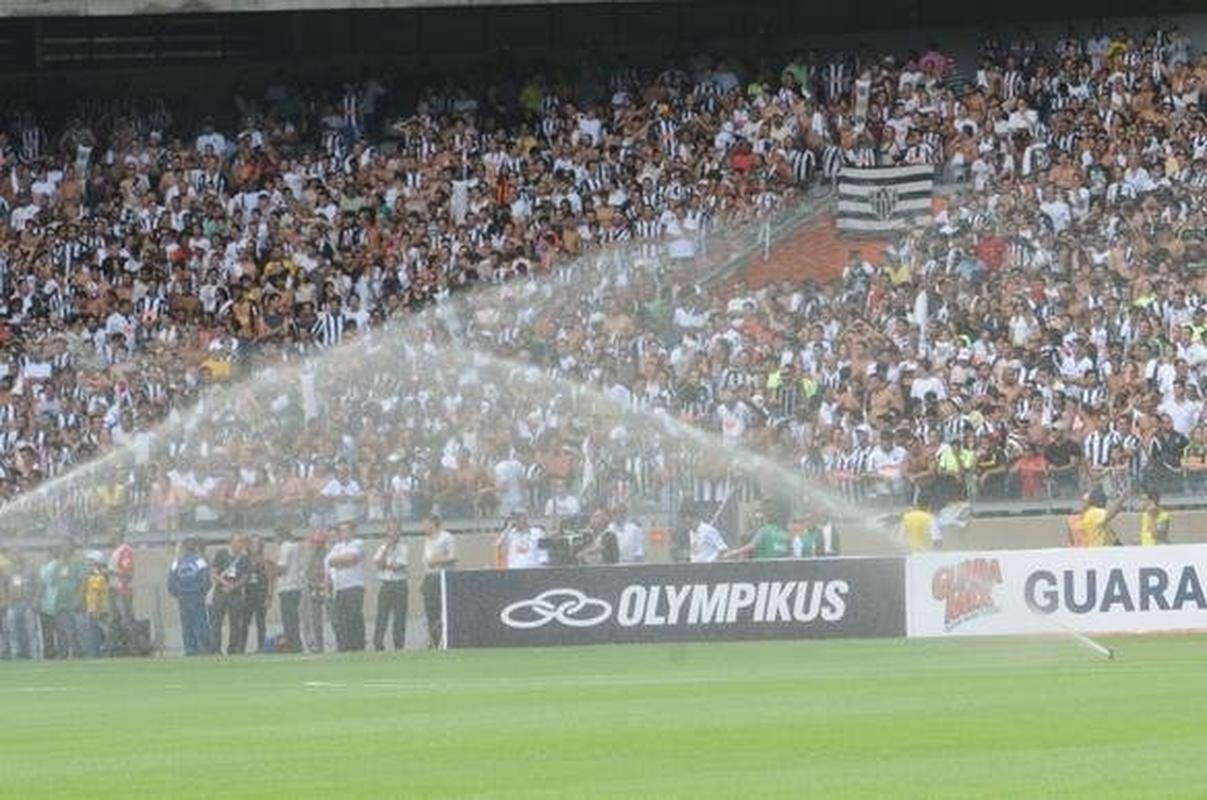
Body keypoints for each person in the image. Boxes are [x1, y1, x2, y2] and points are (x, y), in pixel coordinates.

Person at [324, 521, 366, 652]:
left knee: (354, 616)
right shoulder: (337, 547)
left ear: (352, 531)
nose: (343, 533)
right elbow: (329, 562)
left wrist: (338, 562)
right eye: (341, 531)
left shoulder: (358, 543)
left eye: (346, 530)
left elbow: (352, 558)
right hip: (340, 588)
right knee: (342, 619)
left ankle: (358, 645)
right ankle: (345, 646)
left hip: (354, 586)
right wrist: (340, 561)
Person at [168, 538, 212, 655]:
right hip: (197, 596)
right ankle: (204, 648)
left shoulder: (177, 562)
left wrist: (178, 593)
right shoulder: (200, 562)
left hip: (183, 597)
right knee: (200, 622)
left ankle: (190, 649)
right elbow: (207, 581)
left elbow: (171, 582)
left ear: (184, 548)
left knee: (186, 624)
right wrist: (201, 592)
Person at [209, 534, 250, 655]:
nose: (239, 544)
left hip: (235, 593)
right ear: (231, 542)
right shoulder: (221, 554)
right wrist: (225, 583)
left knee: (235, 622)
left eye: (241, 542)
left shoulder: (244, 558)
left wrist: (234, 586)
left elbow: (245, 576)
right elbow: (214, 572)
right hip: (220, 592)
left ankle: (233, 648)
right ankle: (215, 648)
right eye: (237, 541)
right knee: (216, 621)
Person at [421, 513, 456, 649]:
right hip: (429, 576)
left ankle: (445, 639)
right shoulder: (427, 540)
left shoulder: (446, 537)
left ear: (433, 524)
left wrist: (436, 561)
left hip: (441, 576)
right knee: (431, 610)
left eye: (425, 524)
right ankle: (434, 640)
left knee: (443, 609)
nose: (423, 527)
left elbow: (452, 557)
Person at [372, 523, 408, 652]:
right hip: (386, 584)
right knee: (382, 615)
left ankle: (399, 645)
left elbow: (399, 566)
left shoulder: (403, 547)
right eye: (391, 530)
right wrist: (386, 550)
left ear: (400, 533)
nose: (393, 533)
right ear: (387, 533)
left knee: (399, 617)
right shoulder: (382, 547)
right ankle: (378, 643)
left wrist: (385, 565)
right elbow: (377, 563)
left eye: (396, 530)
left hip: (399, 584)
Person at [273, 526, 304, 652]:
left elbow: (282, 568)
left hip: (287, 586)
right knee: (293, 618)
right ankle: (296, 643)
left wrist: (271, 568)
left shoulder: (285, 547)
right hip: (295, 586)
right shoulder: (295, 546)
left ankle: (292, 644)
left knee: (288, 619)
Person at [240, 536, 271, 653]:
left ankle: (261, 646)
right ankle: (241, 646)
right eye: (252, 544)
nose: (254, 546)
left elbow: (270, 577)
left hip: (260, 593)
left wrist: (269, 595)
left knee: (260, 622)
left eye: (256, 544)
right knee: (244, 622)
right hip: (248, 593)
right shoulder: (244, 559)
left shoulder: (263, 560)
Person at [106, 530, 135, 631]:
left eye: (112, 534)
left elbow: (127, 572)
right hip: (113, 587)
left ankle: (132, 640)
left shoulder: (125, 550)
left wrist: (111, 572)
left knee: (125, 617)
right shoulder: (115, 551)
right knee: (115, 618)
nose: (109, 536)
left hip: (121, 589)